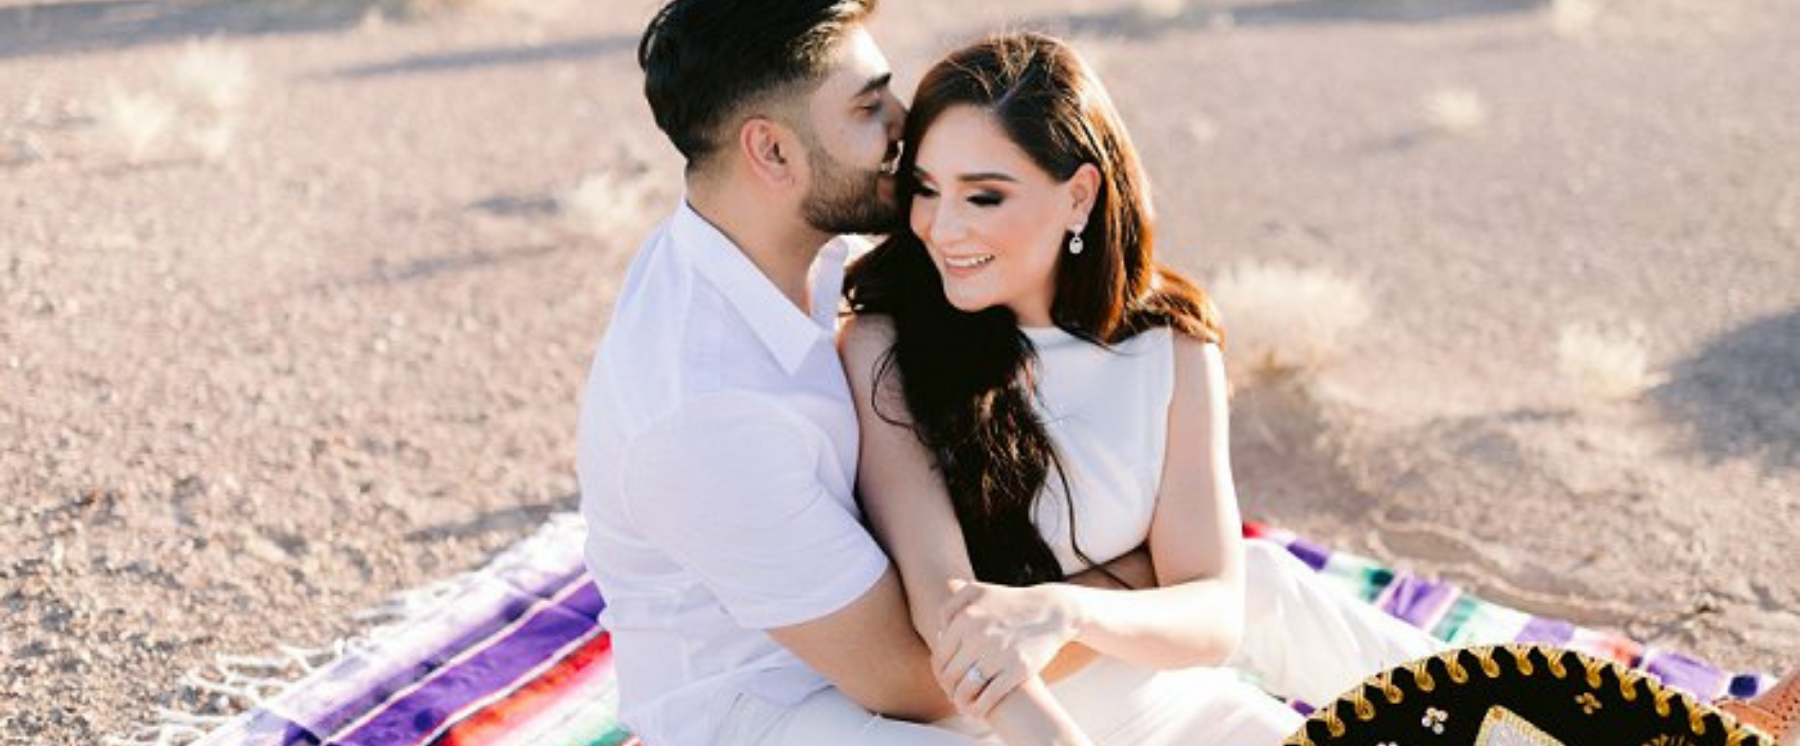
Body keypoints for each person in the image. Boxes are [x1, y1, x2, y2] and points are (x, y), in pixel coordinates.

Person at [838, 31, 1800, 746]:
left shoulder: (1168, 346)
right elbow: (954, 623)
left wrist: (1067, 607)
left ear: (1080, 194)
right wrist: (1128, 596)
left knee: (1276, 607)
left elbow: (1215, 612)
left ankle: (1657, 730)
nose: (940, 225)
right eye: (925, 187)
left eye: (984, 194)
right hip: (1019, 726)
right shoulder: (887, 345)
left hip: (1183, 696)